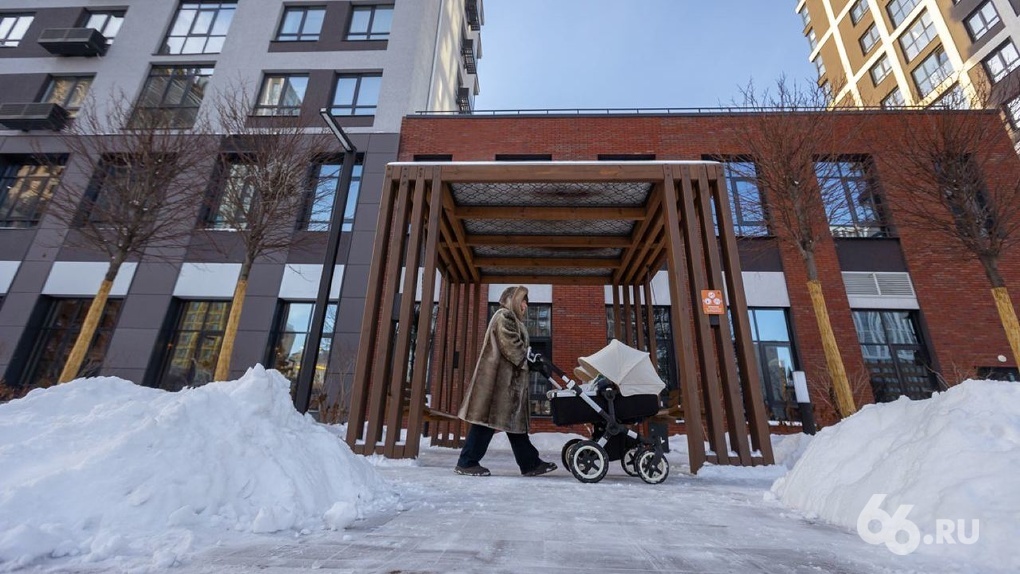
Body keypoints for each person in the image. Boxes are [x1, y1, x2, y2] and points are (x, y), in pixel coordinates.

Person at [454, 285, 557, 477]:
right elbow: (510, 345)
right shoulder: (504, 316)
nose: (526, 305)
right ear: (513, 300)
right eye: (523, 300)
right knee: (485, 422)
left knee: (514, 424)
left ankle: (530, 463)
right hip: (495, 383)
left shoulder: (516, 321)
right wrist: (527, 359)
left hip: (507, 385)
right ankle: (467, 462)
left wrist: (530, 359)